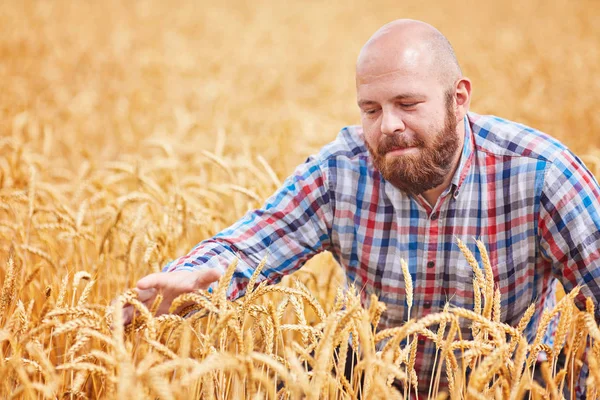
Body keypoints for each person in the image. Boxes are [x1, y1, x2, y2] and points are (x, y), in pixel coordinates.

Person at [130, 19, 600, 395]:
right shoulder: (341, 171)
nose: (388, 125)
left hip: (508, 381)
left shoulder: (542, 174)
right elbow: (253, 244)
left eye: (407, 103)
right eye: (371, 110)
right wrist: (194, 276)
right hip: (371, 376)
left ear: (459, 99)